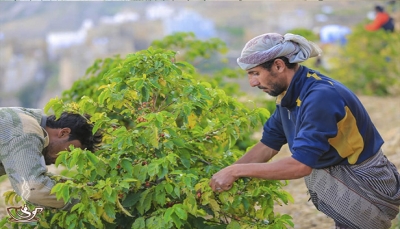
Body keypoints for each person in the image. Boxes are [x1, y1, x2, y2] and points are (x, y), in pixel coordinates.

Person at [209, 33, 400, 229]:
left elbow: (300, 166)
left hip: (363, 183)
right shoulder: (290, 94)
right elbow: (268, 145)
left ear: (278, 65)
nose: (252, 83)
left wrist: (236, 171)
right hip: (344, 179)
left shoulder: (320, 97)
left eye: (255, 73)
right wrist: (220, 178)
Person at [0, 107, 102, 210]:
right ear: (63, 133)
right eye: (70, 152)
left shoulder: (23, 121)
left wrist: (84, 187)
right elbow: (34, 189)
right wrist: (88, 199)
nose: (64, 161)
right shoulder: (27, 130)